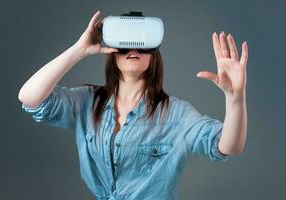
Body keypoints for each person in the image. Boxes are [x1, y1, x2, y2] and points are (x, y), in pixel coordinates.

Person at [18, 10, 248, 200]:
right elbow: (30, 98)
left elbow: (227, 146)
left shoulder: (176, 114)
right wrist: (79, 50)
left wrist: (235, 97)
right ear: (112, 51)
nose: (133, 49)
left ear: (154, 53)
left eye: (142, 42)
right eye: (125, 43)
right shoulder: (87, 102)